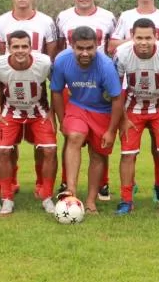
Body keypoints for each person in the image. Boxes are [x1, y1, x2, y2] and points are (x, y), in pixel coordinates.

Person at [111, 0, 159, 203]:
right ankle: (125, 200)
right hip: (133, 107)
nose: (143, 42)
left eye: (148, 38)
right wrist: (121, 119)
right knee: (128, 154)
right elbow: (117, 89)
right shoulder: (121, 54)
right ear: (131, 36)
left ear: (155, 37)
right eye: (139, 38)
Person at [0, 0, 58, 200]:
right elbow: (1, 58)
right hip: (11, 89)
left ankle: (43, 183)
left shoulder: (46, 21)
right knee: (8, 146)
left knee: (43, 147)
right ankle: (10, 183)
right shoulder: (1, 22)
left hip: (37, 89)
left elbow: (52, 56)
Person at [55, 0, 118, 200]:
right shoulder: (63, 17)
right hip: (74, 85)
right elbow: (58, 48)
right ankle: (68, 187)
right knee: (72, 136)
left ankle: (101, 186)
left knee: (98, 146)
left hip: (100, 85)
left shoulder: (108, 17)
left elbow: (113, 46)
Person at [51, 26, 124, 214]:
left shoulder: (106, 66)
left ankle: (91, 200)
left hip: (103, 112)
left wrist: (110, 130)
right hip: (77, 106)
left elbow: (117, 99)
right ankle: (71, 191)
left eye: (89, 48)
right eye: (80, 48)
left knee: (97, 154)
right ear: (72, 46)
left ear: (97, 45)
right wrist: (62, 120)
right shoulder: (62, 61)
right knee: (74, 136)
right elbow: (57, 91)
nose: (85, 53)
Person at [0, 30, 57, 216]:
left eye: (24, 46)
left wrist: (52, 112)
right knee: (3, 150)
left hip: (38, 110)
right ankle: (7, 198)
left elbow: (56, 85)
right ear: (8, 48)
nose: (20, 50)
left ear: (31, 47)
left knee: (50, 149)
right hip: (10, 110)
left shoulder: (44, 63)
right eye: (16, 47)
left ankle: (47, 196)